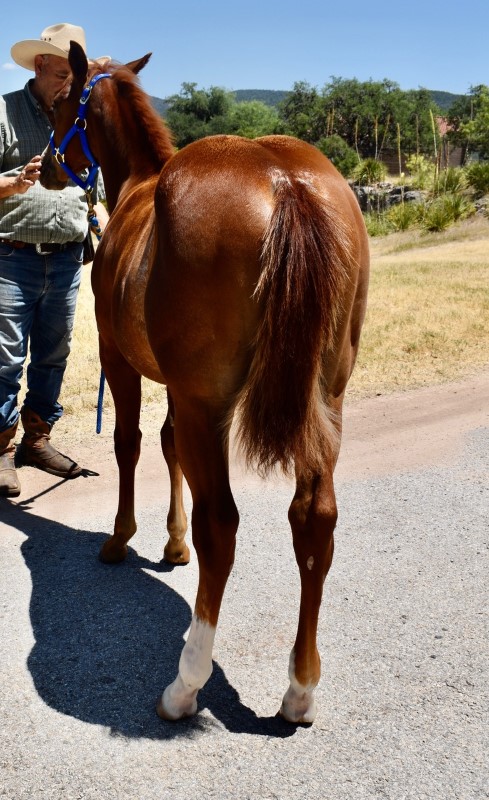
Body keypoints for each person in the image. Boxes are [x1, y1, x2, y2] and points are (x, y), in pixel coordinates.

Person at [0, 23, 109, 497]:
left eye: (75, 75)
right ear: (40, 64)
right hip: (12, 256)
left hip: (66, 259)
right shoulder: (4, 111)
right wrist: (11, 182)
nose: (69, 82)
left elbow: (97, 189)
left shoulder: (80, 117)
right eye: (63, 71)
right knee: (5, 358)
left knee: (54, 355)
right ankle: (2, 450)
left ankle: (37, 441)